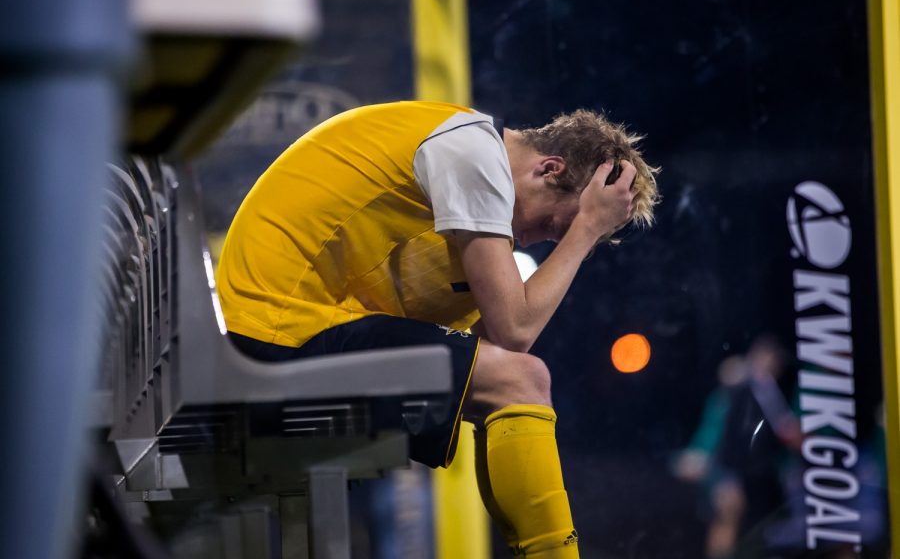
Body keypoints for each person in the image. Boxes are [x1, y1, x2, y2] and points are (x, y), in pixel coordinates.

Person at [215, 100, 659, 558]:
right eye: (549, 225)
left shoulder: (463, 152)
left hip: (277, 331)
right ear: (548, 168)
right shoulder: (473, 154)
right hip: (277, 334)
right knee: (524, 379)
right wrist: (584, 230)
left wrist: (578, 229)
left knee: (511, 383)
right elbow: (515, 331)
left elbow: (493, 342)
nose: (528, 242)